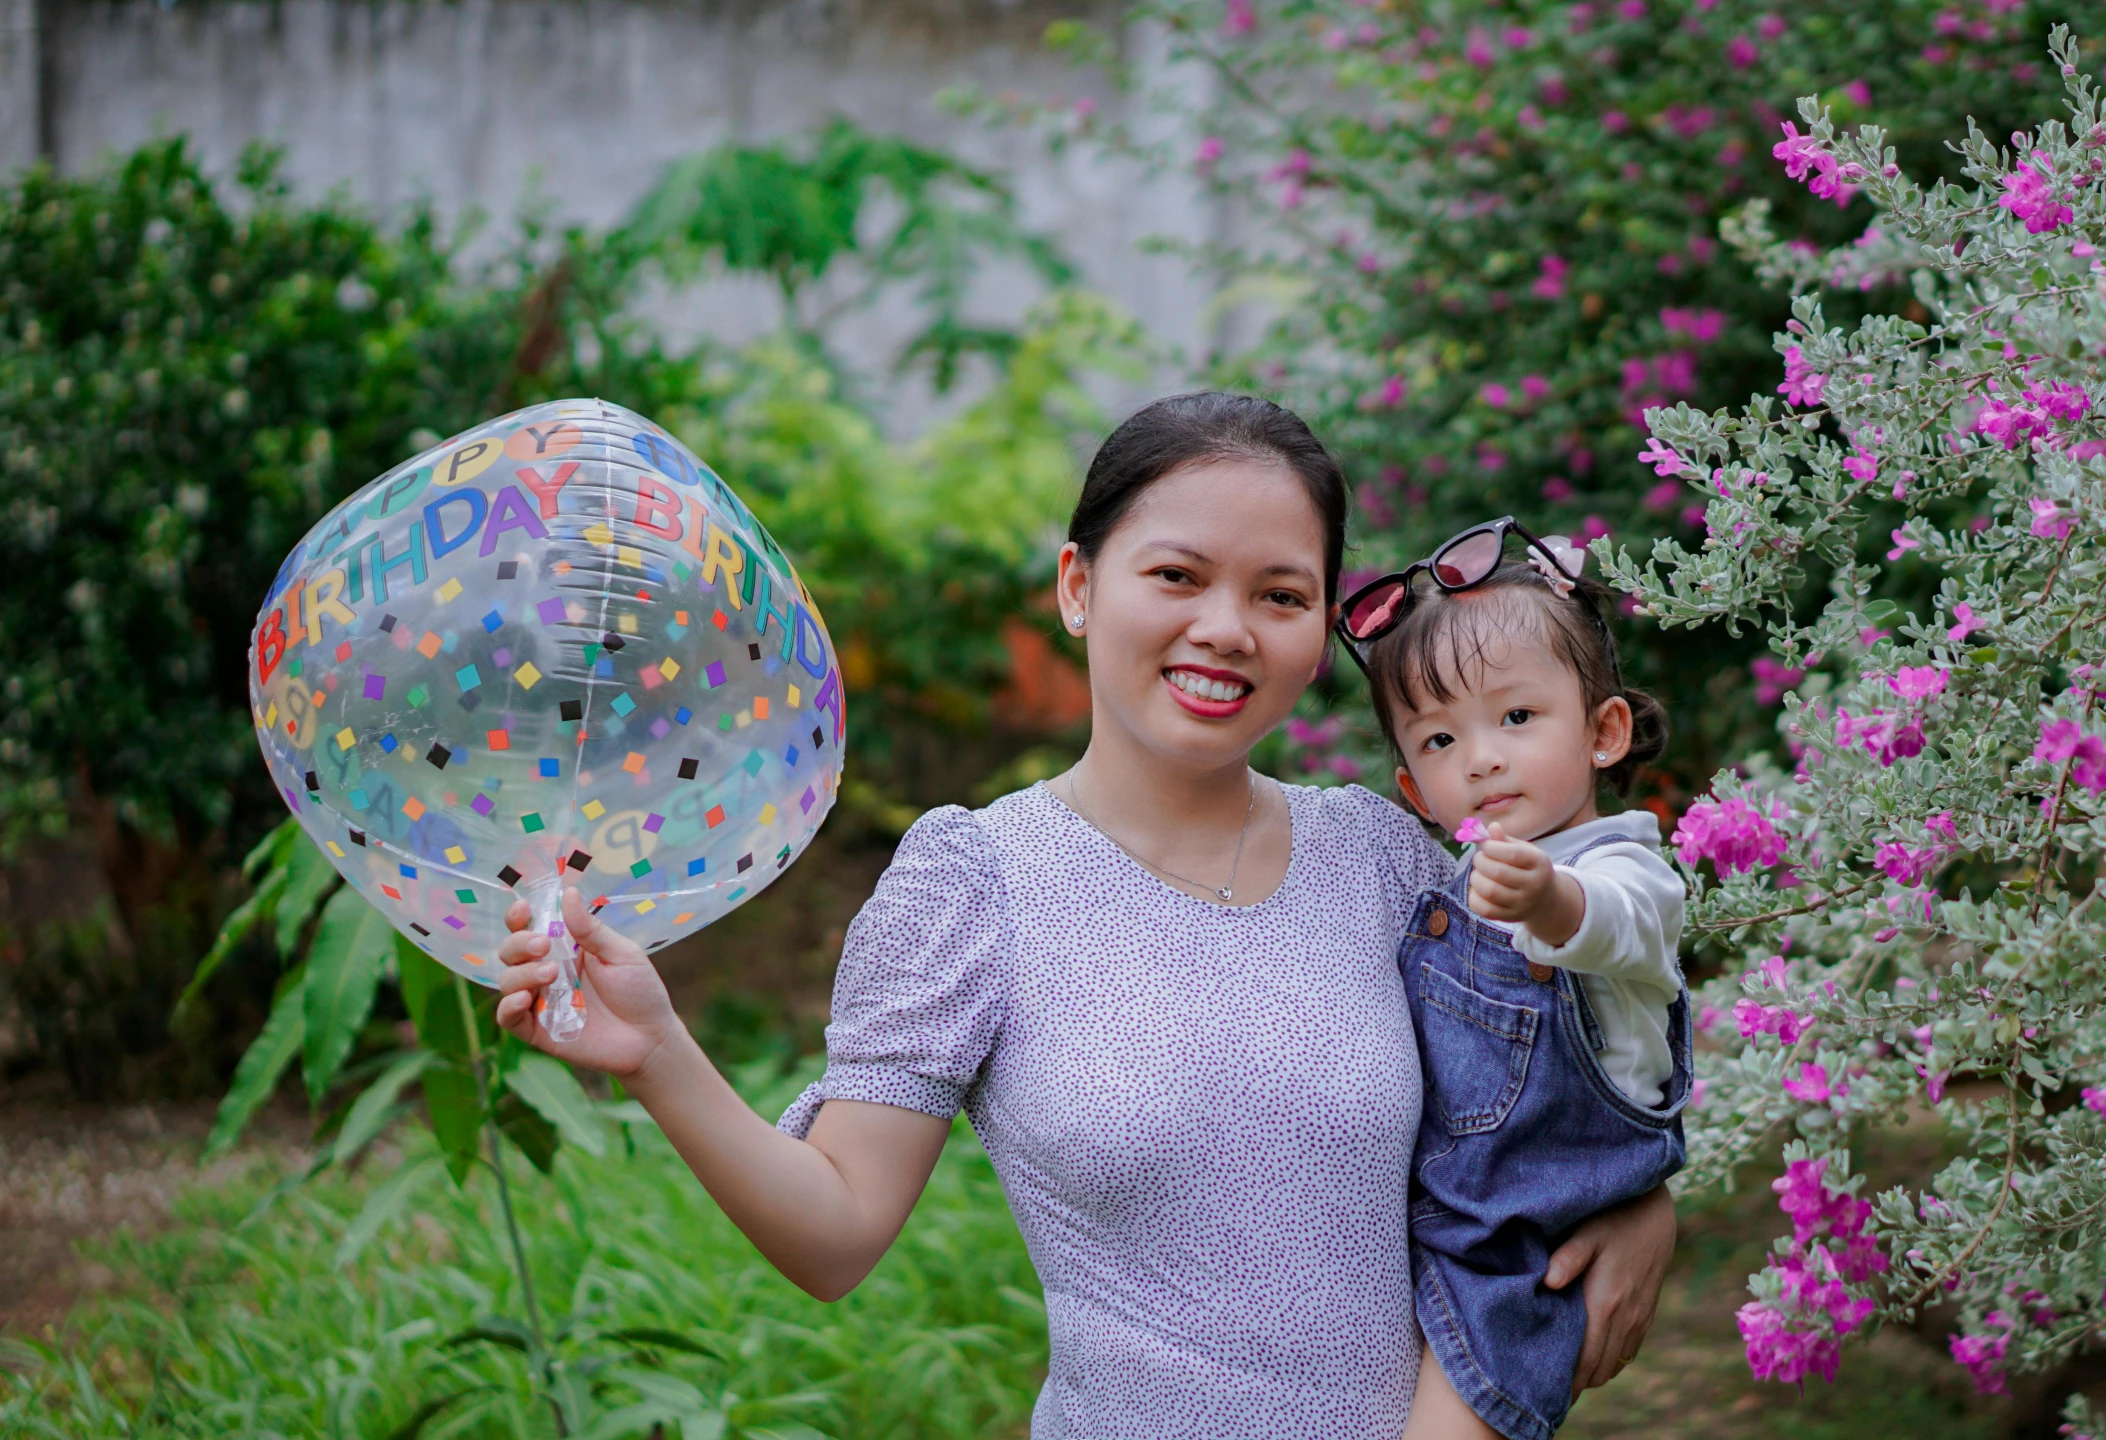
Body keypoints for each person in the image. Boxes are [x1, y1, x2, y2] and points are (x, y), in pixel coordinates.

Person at [485, 393, 1677, 1438]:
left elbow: (1578, 1041)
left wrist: (1639, 1199)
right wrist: (658, 1056)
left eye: (1280, 593)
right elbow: (837, 1235)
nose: (1225, 627)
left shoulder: (1381, 857)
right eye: (1176, 575)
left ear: (1320, 636)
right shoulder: (976, 882)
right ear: (1077, 587)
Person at [1338, 522, 1688, 1440]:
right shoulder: (1445, 886)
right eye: (1441, 739)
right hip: (1443, 1216)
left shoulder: (1622, 868)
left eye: (1516, 718)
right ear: (1415, 792)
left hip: (1529, 1246)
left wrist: (1549, 901)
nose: (1480, 758)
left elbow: (1615, 925)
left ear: (1604, 731)